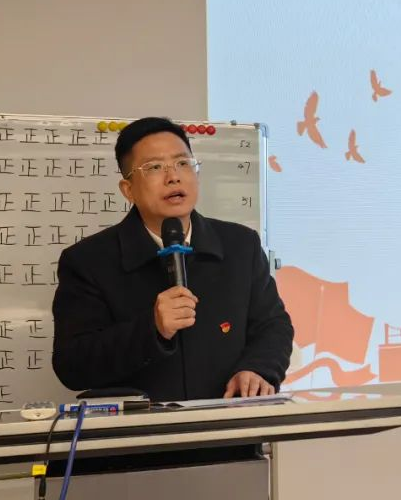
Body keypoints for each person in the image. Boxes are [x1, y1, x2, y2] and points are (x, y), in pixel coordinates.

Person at [52, 116, 293, 401]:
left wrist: (258, 369)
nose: (173, 177)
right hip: (141, 427)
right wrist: (151, 328)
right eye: (155, 167)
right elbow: (72, 365)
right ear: (128, 190)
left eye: (183, 163)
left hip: (228, 421)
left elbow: (273, 326)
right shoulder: (88, 261)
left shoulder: (240, 245)